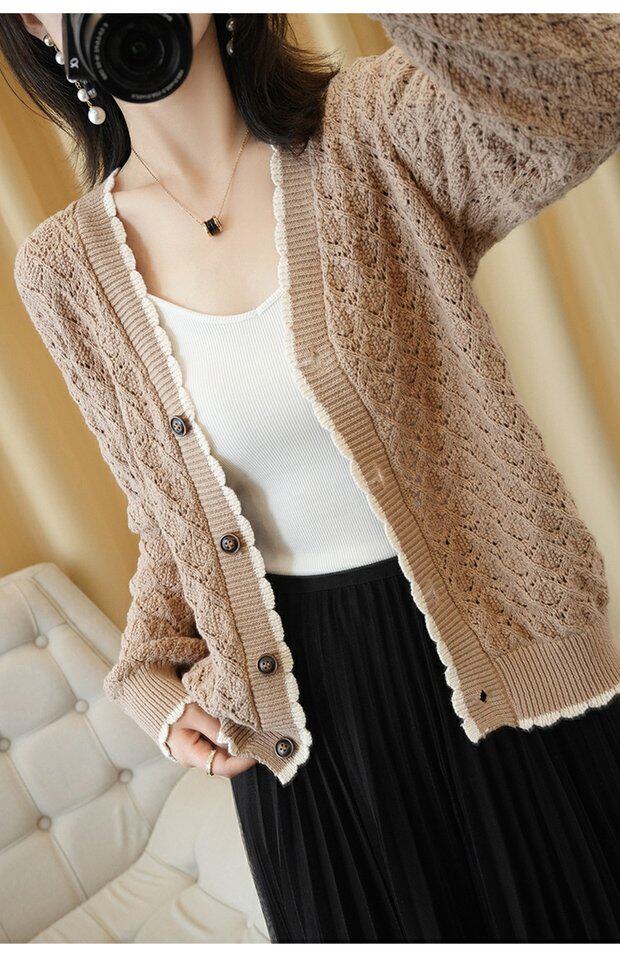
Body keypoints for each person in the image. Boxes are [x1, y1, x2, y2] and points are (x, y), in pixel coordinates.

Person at [4, 11, 620, 944]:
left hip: (500, 646)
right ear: (31, 24)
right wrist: (149, 678)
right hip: (300, 720)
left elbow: (586, 92)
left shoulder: (373, 129)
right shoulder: (63, 272)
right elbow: (168, 517)